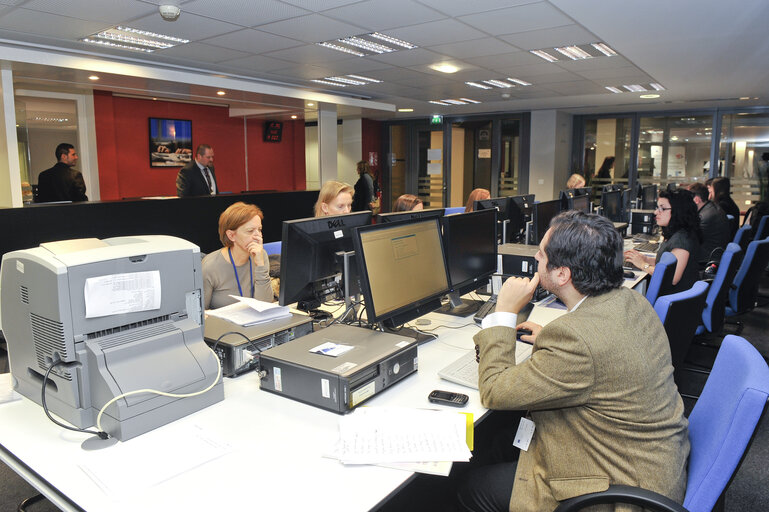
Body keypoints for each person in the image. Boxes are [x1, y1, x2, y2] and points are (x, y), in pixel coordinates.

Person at [459, 210, 689, 512]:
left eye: (541, 255)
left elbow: (494, 390)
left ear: (562, 274)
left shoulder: (575, 338)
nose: (536, 261)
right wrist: (549, 339)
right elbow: (605, 353)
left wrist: (503, 311)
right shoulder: (630, 300)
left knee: (472, 487)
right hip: (648, 461)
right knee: (501, 440)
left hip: (618, 491)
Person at [624, 188, 702, 294]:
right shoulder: (678, 233)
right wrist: (645, 259)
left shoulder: (682, 241)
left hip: (674, 302)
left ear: (677, 211)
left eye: (662, 208)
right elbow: (666, 264)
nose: (656, 212)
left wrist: (643, 265)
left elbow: (672, 277)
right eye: (657, 208)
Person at [202, 202, 273, 309]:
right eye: (250, 231)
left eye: (259, 230)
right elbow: (200, 315)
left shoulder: (261, 256)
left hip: (256, 322)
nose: (258, 236)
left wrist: (260, 266)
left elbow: (265, 305)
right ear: (231, 235)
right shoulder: (210, 266)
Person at [687, 182, 730, 263]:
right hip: (713, 254)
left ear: (696, 200)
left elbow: (690, 242)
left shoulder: (704, 217)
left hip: (705, 260)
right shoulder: (711, 207)